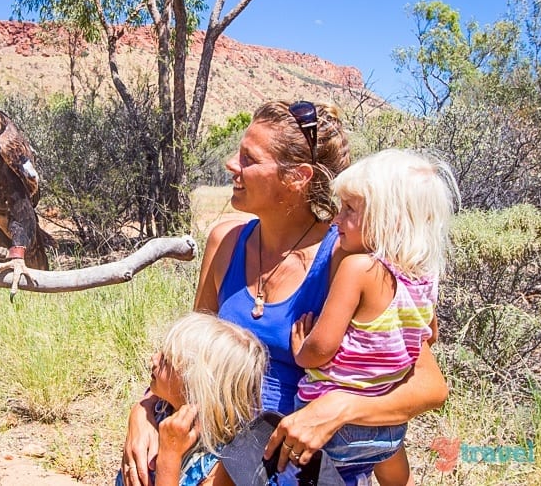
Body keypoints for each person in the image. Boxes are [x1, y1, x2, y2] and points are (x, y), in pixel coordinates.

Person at [121, 100, 448, 486]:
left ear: (297, 177)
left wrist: (339, 408)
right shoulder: (225, 240)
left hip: (290, 464)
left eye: (249, 158)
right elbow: (188, 358)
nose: (231, 165)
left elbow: (429, 387)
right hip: (215, 447)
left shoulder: (346, 258)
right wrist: (144, 410)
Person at [291, 149, 460, 485]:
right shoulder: (427, 275)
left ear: (391, 218)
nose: (337, 220)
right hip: (389, 432)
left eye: (350, 210)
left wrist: (301, 351)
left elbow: (322, 347)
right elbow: (430, 334)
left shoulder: (359, 268)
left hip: (333, 430)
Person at [117, 312, 267, 486]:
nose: (154, 358)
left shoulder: (221, 466)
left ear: (195, 384)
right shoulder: (162, 409)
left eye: (166, 360)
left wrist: (170, 456)